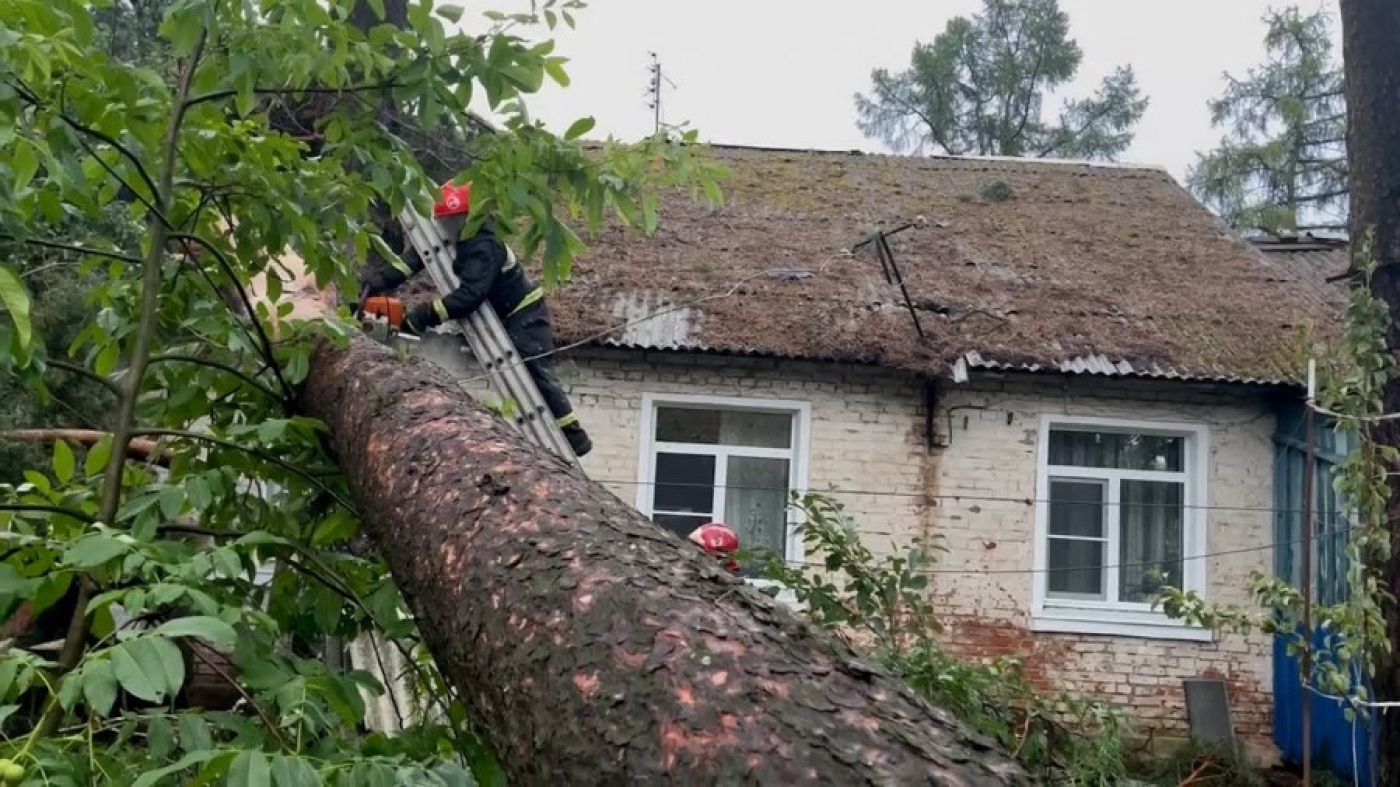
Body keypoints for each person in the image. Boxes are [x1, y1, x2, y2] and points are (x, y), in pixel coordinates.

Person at [359, 182, 593, 458]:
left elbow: (470, 296)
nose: (447, 225)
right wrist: (376, 284)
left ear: (469, 218)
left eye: (454, 219)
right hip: (503, 314)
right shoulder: (447, 236)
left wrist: (422, 316)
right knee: (525, 374)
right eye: (444, 219)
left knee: (534, 369)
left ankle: (574, 437)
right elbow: (412, 261)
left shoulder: (484, 246)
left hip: (524, 313)